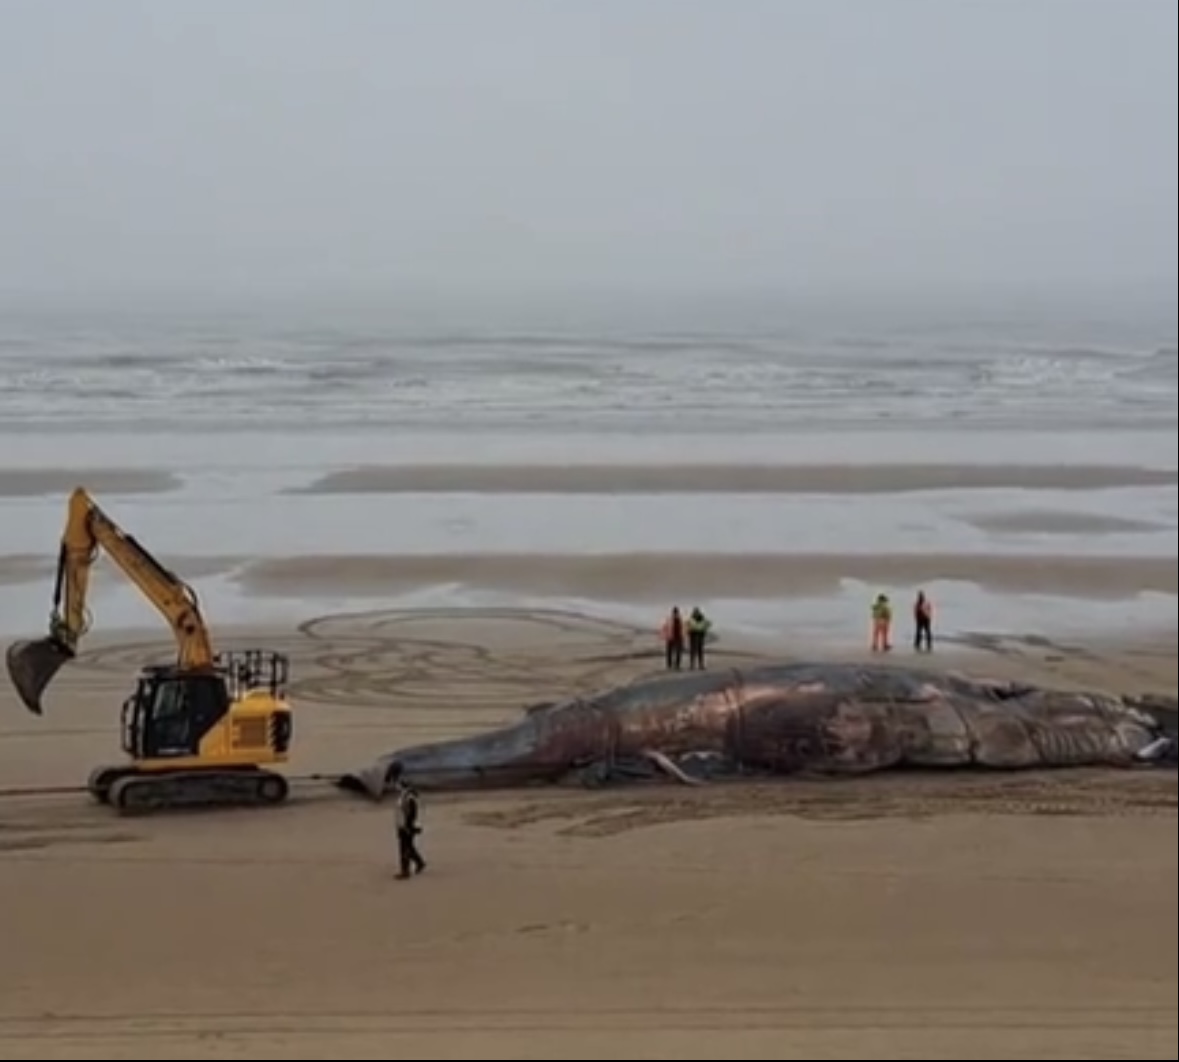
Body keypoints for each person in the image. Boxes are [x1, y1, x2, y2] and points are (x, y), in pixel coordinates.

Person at [389, 769, 425, 879]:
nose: (395, 786)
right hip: (403, 825)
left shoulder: (408, 797)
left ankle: (405, 871)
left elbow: (412, 813)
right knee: (408, 847)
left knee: (404, 848)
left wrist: (408, 826)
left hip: (407, 826)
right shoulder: (404, 796)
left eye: (397, 784)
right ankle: (419, 862)